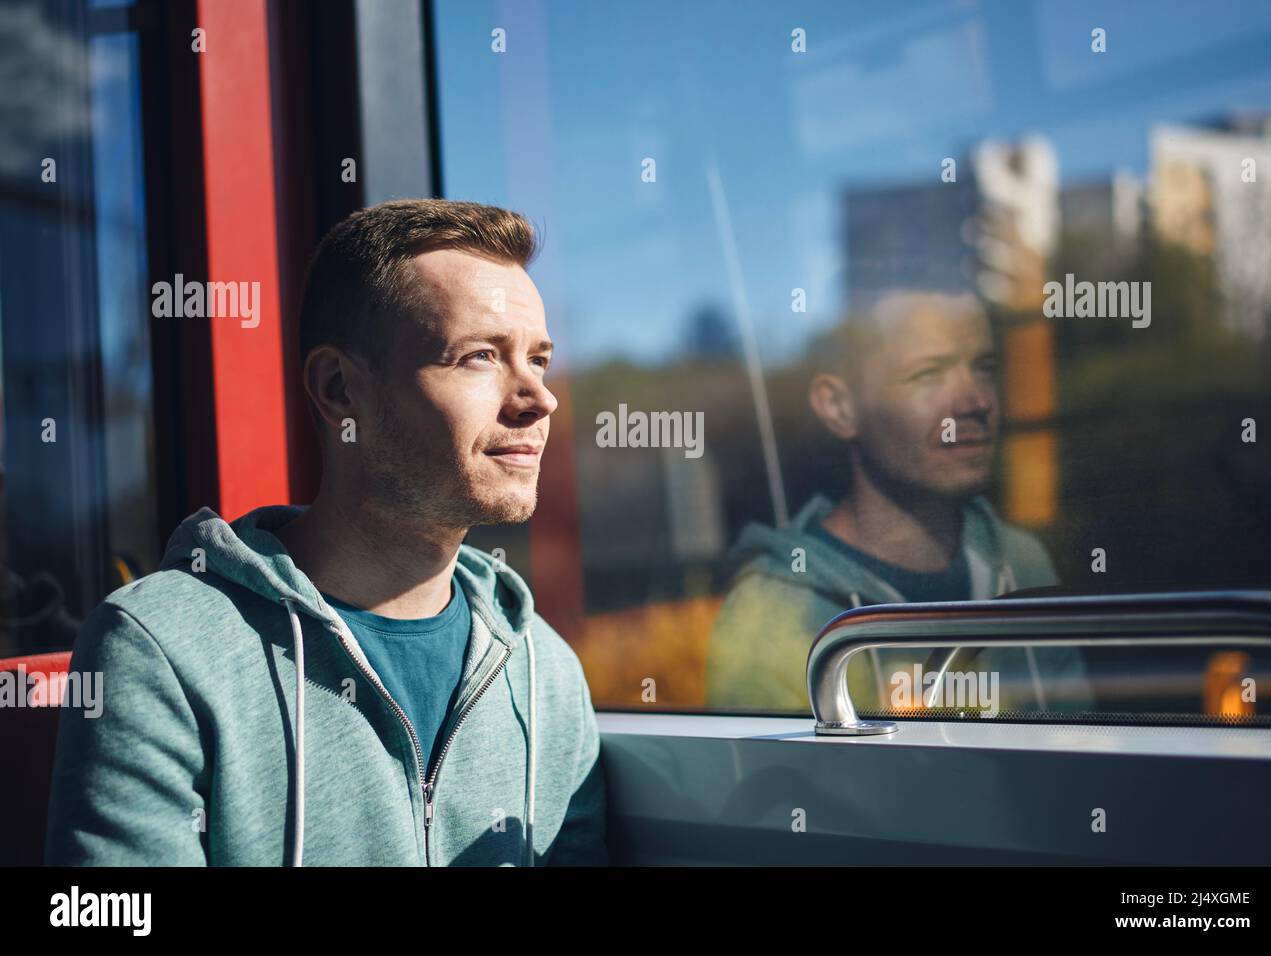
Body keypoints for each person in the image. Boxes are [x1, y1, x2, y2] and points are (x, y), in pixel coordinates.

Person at [45, 199, 607, 866]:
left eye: (539, 359)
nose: (539, 397)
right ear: (339, 389)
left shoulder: (544, 671)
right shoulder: (161, 650)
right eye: (481, 356)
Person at [705, 290, 1091, 716]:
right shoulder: (771, 617)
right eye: (928, 374)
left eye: (985, 369)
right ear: (839, 407)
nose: (976, 402)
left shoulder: (1024, 565)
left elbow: (1080, 755)